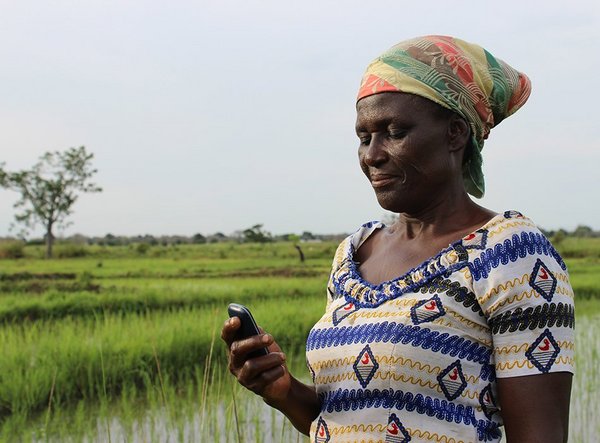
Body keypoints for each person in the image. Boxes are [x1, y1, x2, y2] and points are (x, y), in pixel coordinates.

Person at [221, 35, 574, 443]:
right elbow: (346, 418)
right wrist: (283, 391)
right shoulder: (354, 254)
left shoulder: (512, 255)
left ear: (456, 134)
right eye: (364, 136)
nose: (373, 154)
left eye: (394, 131)